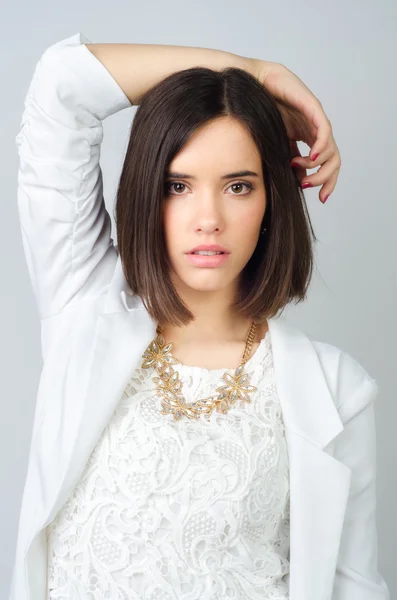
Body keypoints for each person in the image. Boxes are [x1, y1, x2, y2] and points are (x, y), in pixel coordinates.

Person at [9, 32, 389, 600]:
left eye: (238, 186)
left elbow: (354, 588)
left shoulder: (337, 391)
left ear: (272, 199)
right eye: (178, 186)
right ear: (146, 193)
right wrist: (250, 72)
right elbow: (62, 86)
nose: (207, 218)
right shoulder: (85, 307)